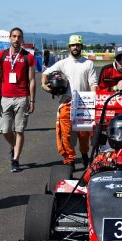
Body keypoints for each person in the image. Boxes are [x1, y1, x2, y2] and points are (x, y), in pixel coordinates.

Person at [42, 34, 97, 168]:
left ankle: (84, 155)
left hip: (84, 104)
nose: (75, 47)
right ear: (69, 47)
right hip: (66, 103)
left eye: (77, 45)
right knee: (65, 135)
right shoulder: (63, 63)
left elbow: (93, 84)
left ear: (81, 46)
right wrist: (44, 85)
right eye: (73, 45)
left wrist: (93, 100)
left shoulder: (88, 63)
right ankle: (69, 160)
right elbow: (45, 73)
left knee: (83, 135)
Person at [0, 27, 36, 173]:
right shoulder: (1, 55)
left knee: (20, 130)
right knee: (5, 130)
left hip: (22, 98)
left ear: (22, 39)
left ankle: (15, 159)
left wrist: (32, 101)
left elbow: (32, 80)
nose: (16, 39)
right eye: (14, 36)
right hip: (5, 98)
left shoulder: (27, 57)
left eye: (19, 37)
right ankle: (15, 146)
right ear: (10, 38)